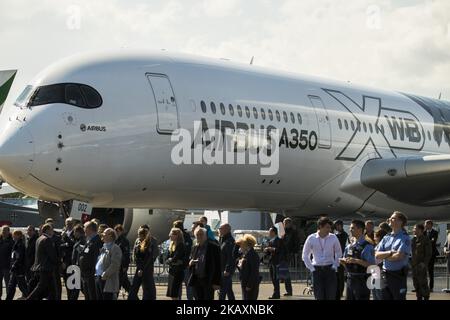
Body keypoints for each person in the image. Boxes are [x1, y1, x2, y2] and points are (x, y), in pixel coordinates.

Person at [302, 217, 342, 300]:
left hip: (330, 269)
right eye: (327, 227)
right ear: (320, 226)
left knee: (331, 295)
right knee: (319, 296)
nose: (329, 229)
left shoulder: (333, 237)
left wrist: (335, 266)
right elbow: (305, 255)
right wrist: (312, 269)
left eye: (330, 227)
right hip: (317, 270)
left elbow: (339, 253)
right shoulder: (311, 238)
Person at [375, 211, 411, 300]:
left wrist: (384, 256)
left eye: (393, 218)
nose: (389, 219)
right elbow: (376, 255)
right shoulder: (386, 237)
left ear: (400, 222)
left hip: (398, 277)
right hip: (385, 275)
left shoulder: (405, 238)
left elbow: (399, 256)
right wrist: (390, 253)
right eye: (390, 218)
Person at [340, 220, 375, 300]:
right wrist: (344, 262)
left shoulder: (367, 246)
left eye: (352, 228)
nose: (350, 230)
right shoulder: (349, 246)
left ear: (360, 229)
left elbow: (372, 266)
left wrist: (356, 261)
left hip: (362, 281)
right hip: (350, 279)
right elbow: (345, 261)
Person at [27, 224, 58, 300]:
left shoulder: (39, 238)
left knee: (52, 288)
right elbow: (51, 254)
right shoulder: (47, 239)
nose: (52, 231)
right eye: (51, 230)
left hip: (41, 266)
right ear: (47, 230)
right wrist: (58, 262)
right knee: (41, 286)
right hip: (46, 267)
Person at [188, 227, 221, 300]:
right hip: (196, 280)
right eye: (197, 234)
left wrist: (217, 282)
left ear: (206, 235)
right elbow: (191, 260)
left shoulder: (214, 247)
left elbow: (218, 266)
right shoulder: (194, 247)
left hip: (208, 280)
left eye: (201, 234)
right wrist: (190, 263)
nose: (199, 236)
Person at [129, 228, 158, 300]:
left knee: (148, 288)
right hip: (141, 268)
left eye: (139, 234)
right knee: (135, 288)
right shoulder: (139, 242)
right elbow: (137, 258)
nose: (138, 236)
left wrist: (141, 269)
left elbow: (148, 259)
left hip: (146, 269)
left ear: (143, 235)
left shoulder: (148, 244)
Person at [94, 228, 122, 300]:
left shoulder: (115, 248)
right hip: (98, 277)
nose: (102, 234)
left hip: (107, 280)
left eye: (104, 233)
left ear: (110, 236)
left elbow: (115, 264)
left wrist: (105, 274)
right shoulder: (104, 247)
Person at [79, 220, 102, 300]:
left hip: (91, 274)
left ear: (89, 229)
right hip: (86, 274)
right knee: (88, 296)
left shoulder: (97, 241)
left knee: (93, 296)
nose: (84, 229)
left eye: (85, 227)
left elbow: (96, 259)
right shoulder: (90, 241)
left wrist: (92, 273)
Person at [173, 220, 193, 300]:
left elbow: (187, 251)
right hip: (183, 264)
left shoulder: (184, 236)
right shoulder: (185, 236)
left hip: (182, 265)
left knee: (183, 285)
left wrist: (177, 260)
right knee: (187, 285)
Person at [236, 234, 260, 300]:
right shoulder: (246, 254)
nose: (240, 246)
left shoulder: (253, 255)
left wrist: (249, 285)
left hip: (250, 284)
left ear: (246, 244)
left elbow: (254, 272)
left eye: (242, 244)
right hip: (246, 282)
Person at [264, 226, 286, 299]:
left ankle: (276, 294)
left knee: (275, 278)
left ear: (273, 232)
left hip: (276, 261)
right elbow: (270, 252)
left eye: (270, 231)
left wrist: (271, 249)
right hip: (272, 261)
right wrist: (266, 250)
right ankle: (276, 293)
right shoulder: (271, 240)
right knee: (273, 278)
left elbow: (280, 250)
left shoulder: (278, 240)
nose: (269, 233)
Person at [6, 230, 28, 300]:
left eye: (15, 235)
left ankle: (30, 297)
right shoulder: (16, 244)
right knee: (11, 286)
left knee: (22, 286)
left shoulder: (20, 245)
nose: (13, 236)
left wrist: (14, 266)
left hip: (18, 269)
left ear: (19, 236)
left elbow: (19, 257)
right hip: (15, 269)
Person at [411, 223, 432, 300]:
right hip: (414, 265)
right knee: (416, 283)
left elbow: (428, 253)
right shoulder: (413, 240)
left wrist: (424, 263)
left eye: (414, 228)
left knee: (423, 283)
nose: (413, 230)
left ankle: (426, 297)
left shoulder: (425, 239)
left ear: (420, 230)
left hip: (421, 266)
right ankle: (418, 297)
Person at [166, 228, 186, 300]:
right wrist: (171, 260)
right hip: (172, 271)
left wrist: (171, 260)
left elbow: (176, 257)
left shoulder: (180, 245)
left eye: (171, 234)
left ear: (177, 235)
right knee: (172, 293)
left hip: (178, 272)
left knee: (175, 293)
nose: (169, 236)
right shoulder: (171, 245)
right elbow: (168, 258)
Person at [218, 223, 236, 300]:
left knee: (222, 292)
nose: (219, 230)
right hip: (222, 269)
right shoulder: (223, 239)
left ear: (226, 230)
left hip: (226, 270)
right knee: (228, 290)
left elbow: (230, 257)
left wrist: (227, 269)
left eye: (220, 228)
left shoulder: (229, 241)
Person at [281, 217, 298, 296]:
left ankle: (289, 291)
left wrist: (292, 251)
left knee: (285, 272)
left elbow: (295, 243)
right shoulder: (283, 232)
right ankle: (288, 290)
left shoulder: (293, 232)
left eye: (285, 223)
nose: (284, 225)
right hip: (283, 253)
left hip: (287, 254)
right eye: (284, 223)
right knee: (283, 271)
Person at [61, 217, 75, 299]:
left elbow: (73, 245)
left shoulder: (74, 233)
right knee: (66, 281)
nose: (69, 225)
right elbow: (61, 245)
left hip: (71, 261)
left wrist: (66, 239)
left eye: (70, 224)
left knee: (72, 283)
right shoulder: (64, 233)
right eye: (67, 224)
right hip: (64, 260)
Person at [70, 224, 86, 300]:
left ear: (78, 232)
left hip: (78, 268)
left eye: (75, 232)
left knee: (78, 288)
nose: (73, 234)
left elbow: (81, 254)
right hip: (76, 267)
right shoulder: (79, 240)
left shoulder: (82, 241)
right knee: (77, 288)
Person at [114, 224, 131, 295]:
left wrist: (124, 266)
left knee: (119, 283)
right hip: (117, 265)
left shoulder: (124, 241)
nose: (117, 233)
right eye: (116, 231)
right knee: (125, 283)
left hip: (122, 266)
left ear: (121, 231)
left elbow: (126, 255)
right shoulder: (116, 240)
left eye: (118, 231)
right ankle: (132, 295)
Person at [334, 219, 348, 300]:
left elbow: (341, 243)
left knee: (340, 276)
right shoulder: (335, 234)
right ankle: (337, 291)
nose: (337, 227)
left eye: (338, 225)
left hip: (341, 256)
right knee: (336, 276)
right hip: (335, 257)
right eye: (336, 225)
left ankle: (340, 291)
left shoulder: (344, 234)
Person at [372, 228, 388, 300]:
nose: (374, 238)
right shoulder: (378, 246)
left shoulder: (383, 247)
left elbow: (378, 260)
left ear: (379, 237)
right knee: (375, 292)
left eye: (375, 236)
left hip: (380, 272)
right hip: (375, 272)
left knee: (379, 294)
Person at [424, 220, 439, 292]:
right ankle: (423, 286)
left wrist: (425, 242)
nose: (425, 226)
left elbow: (433, 242)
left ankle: (431, 287)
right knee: (422, 271)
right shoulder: (423, 232)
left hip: (431, 254)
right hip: (423, 255)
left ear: (430, 225)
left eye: (426, 224)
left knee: (430, 271)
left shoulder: (435, 232)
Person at [0, 225, 13, 300]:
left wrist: (10, 264)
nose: (4, 232)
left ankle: (9, 297)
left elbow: (12, 255)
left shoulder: (11, 241)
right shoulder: (0, 240)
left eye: (5, 230)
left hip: (7, 266)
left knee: (8, 283)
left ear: (8, 231)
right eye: (3, 230)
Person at [25, 226, 38, 294]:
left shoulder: (36, 240)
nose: (28, 232)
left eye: (30, 230)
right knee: (28, 281)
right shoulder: (27, 239)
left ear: (33, 231)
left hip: (33, 264)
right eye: (27, 230)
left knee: (33, 282)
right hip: (27, 264)